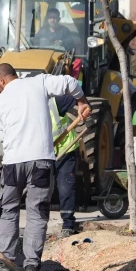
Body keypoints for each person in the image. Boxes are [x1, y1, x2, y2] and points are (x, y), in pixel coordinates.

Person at [0, 63, 91, 271]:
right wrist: (82, 101)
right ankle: (32, 266)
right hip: (41, 163)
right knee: (37, 211)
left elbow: (3, 137)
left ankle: (6, 261)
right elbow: (71, 83)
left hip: (13, 163)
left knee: (8, 210)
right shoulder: (40, 82)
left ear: (2, 80)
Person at [50, 92, 83, 237]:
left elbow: (76, 97)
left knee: (65, 187)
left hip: (66, 149)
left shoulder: (53, 103)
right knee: (41, 190)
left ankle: (68, 225)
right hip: (44, 153)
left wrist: (83, 105)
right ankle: (38, 225)